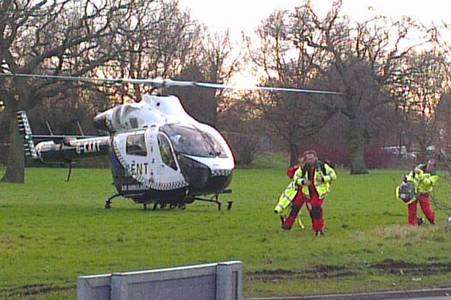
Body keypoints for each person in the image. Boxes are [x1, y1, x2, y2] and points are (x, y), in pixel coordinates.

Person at [275, 150, 337, 235]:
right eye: (308, 159)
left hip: (318, 192)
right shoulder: (303, 167)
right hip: (304, 191)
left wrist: (323, 179)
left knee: (315, 208)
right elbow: (294, 176)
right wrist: (303, 181)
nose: (310, 160)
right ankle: (287, 226)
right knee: (295, 208)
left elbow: (333, 175)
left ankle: (318, 229)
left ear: (315, 158)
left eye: (311, 158)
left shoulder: (322, 166)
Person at [404, 159, 439, 226]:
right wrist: (407, 180)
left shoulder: (434, 176)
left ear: (434, 167)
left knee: (427, 211)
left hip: (424, 194)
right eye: (428, 164)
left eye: (431, 165)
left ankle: (432, 221)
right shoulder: (420, 167)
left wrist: (420, 174)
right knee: (412, 210)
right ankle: (412, 225)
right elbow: (411, 175)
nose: (429, 166)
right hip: (413, 192)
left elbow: (427, 183)